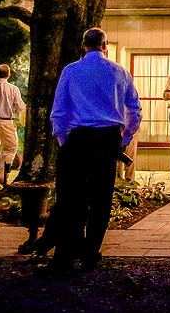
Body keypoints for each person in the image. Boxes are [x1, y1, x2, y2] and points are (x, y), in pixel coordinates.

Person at [48, 27, 142, 273]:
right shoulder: (119, 72)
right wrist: (125, 137)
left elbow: (59, 109)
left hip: (78, 138)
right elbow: (134, 109)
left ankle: (68, 250)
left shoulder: (71, 71)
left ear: (84, 45)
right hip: (107, 137)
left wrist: (63, 139)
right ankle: (91, 252)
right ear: (105, 46)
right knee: (101, 198)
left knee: (72, 196)